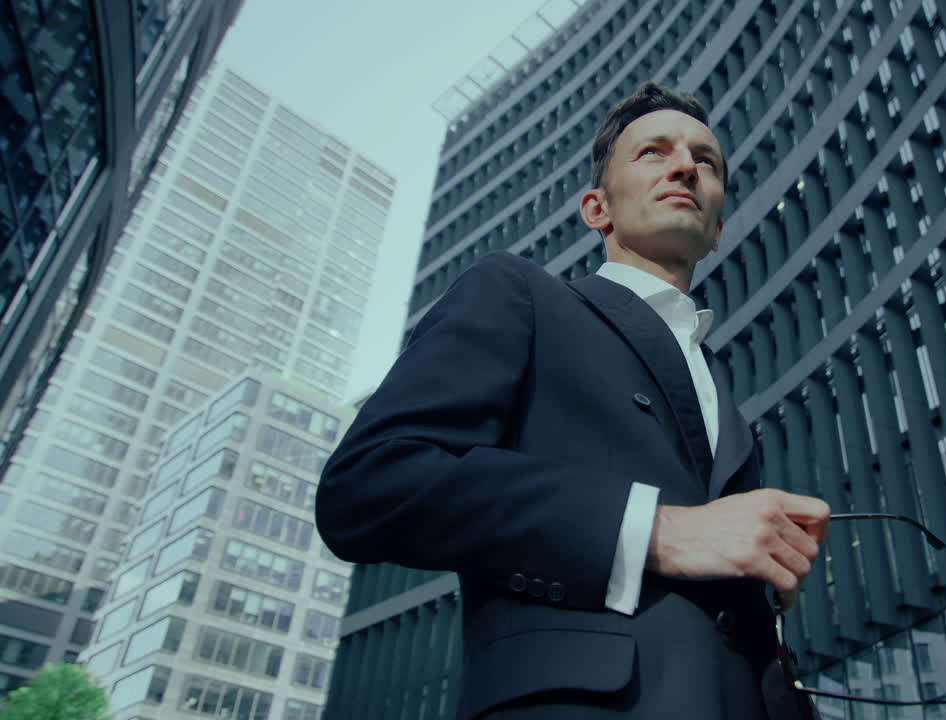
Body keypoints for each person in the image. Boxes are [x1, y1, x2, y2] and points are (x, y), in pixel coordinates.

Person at [316, 82, 831, 719]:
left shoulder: (721, 385)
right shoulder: (517, 293)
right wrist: (659, 531)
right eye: (654, 153)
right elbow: (369, 484)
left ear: (719, 227)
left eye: (707, 161)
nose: (684, 167)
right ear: (596, 209)